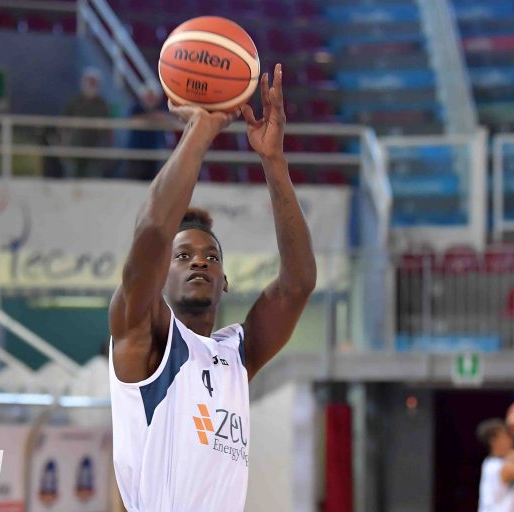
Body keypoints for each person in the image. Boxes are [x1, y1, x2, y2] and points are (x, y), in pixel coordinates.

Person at [108, 63, 316, 511]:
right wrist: (199, 134)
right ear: (161, 274)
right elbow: (151, 234)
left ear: (225, 283)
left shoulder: (236, 354)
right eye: (182, 256)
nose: (199, 261)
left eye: (211, 257)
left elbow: (297, 285)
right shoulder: (144, 337)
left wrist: (273, 160)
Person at [62, 67, 111, 178]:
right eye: (89, 81)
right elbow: (63, 125)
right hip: (74, 147)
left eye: (93, 82)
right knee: (70, 180)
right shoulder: (74, 101)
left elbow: (108, 129)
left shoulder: (102, 104)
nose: (91, 84)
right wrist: (63, 145)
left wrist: (107, 148)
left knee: (92, 181)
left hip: (94, 150)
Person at [125, 86, 173, 180]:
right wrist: (154, 118)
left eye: (152, 96)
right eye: (148, 96)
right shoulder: (136, 107)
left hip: (154, 154)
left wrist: (155, 118)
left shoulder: (161, 108)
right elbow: (133, 121)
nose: (150, 98)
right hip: (136, 153)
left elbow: (168, 120)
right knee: (133, 180)